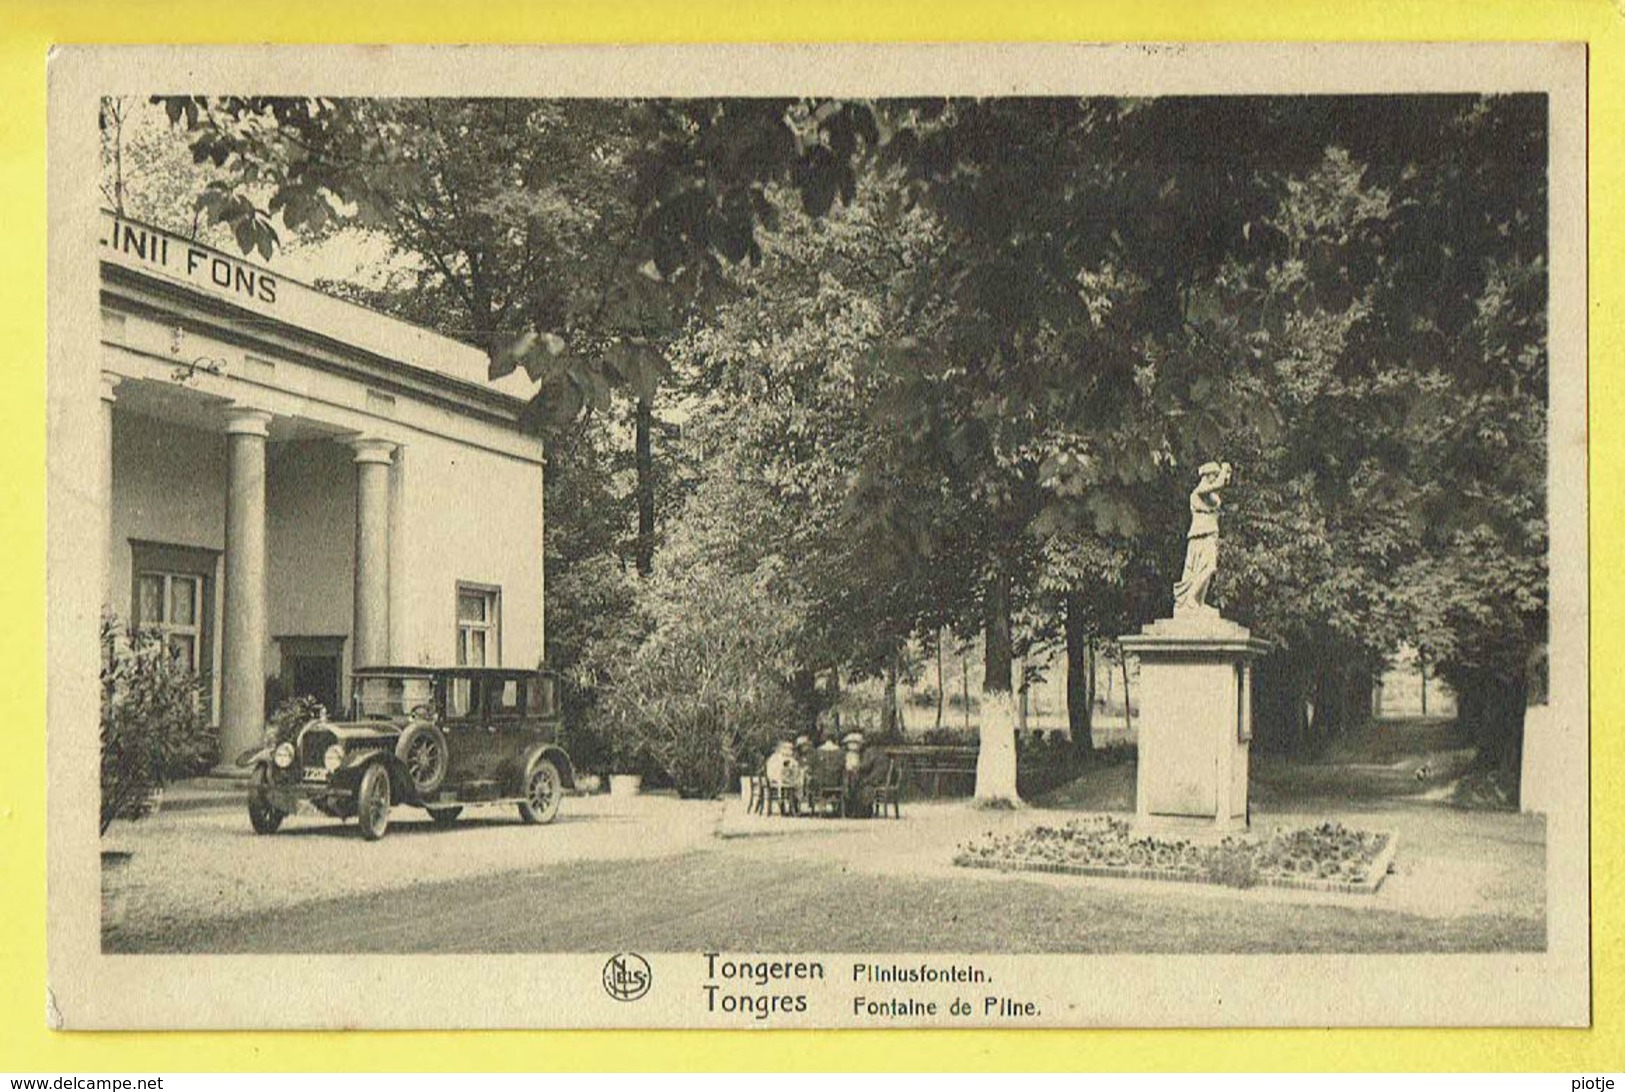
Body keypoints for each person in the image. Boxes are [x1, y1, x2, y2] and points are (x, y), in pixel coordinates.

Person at [1173, 460, 1231, 613]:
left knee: (1204, 568)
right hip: (1200, 535)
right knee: (1208, 566)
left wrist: (1226, 474)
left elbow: (1217, 491)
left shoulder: (1211, 496)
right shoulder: (1198, 492)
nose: (1217, 478)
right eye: (1215, 475)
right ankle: (1191, 598)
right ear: (1207, 475)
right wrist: (1224, 469)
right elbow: (1218, 486)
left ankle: (1198, 601)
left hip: (1210, 534)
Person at [763, 739, 803, 815]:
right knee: (796, 783)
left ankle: (792, 803)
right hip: (777, 780)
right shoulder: (779, 758)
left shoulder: (777, 757)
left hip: (777, 780)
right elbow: (781, 771)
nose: (790, 752)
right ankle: (791, 803)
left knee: (796, 782)